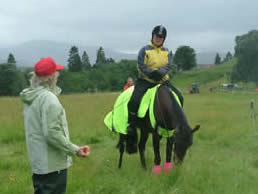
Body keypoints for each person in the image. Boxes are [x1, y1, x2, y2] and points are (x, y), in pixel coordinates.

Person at [20, 57, 90, 194]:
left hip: (39, 163)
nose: (58, 75)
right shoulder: (48, 99)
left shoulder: (31, 97)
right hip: (52, 165)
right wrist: (75, 149)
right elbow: (52, 133)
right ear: (51, 77)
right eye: (56, 72)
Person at [126, 25, 184, 153]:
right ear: (152, 36)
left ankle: (179, 124)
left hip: (163, 81)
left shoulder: (167, 51)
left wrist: (161, 72)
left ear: (164, 39)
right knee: (134, 101)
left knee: (179, 96)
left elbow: (169, 65)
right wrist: (152, 73)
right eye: (157, 36)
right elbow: (141, 65)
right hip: (146, 81)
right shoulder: (144, 50)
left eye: (161, 37)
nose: (158, 39)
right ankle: (131, 125)